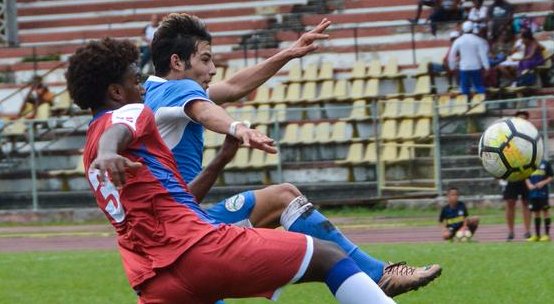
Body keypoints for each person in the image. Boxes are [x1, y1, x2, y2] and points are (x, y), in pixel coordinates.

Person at [67, 37, 396, 304]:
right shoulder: (129, 114)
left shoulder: (89, 152)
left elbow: (169, 197)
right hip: (197, 249)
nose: (141, 89)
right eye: (134, 81)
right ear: (115, 92)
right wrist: (111, 151)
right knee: (328, 256)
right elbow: (120, 129)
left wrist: (222, 156)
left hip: (154, 280)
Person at [144, 13, 442, 298]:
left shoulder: (158, 93)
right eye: (206, 59)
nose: (213, 69)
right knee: (294, 216)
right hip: (176, 237)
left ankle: (378, 274)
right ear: (177, 62)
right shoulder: (179, 91)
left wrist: (290, 52)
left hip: (180, 227)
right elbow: (206, 111)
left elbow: (234, 87)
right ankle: (378, 275)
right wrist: (236, 128)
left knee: (283, 197)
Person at [502, 110, 532, 241]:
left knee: (526, 202)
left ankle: (527, 231)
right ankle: (510, 232)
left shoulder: (532, 137)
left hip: (527, 173)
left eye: (525, 119)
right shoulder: (509, 137)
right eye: (520, 119)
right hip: (513, 174)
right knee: (510, 202)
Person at [448, 21, 490, 95]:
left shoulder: (458, 41)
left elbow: (452, 55)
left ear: (463, 29)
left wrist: (452, 67)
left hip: (464, 67)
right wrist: (487, 67)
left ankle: (466, 104)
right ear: (472, 29)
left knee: (465, 88)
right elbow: (483, 55)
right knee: (479, 86)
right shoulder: (478, 40)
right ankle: (482, 103)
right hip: (476, 67)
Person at [525, 159, 553, 242]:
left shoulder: (546, 163)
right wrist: (529, 185)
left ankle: (547, 235)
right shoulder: (529, 163)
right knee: (536, 213)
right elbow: (526, 177)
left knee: (545, 212)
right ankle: (537, 235)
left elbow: (551, 177)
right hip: (533, 194)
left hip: (543, 193)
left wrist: (543, 183)